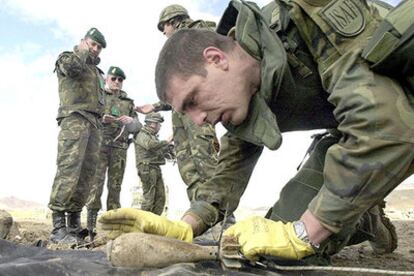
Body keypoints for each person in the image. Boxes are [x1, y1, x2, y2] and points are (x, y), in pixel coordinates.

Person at [100, 0, 413, 264]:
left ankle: (351, 204)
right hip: (364, 131)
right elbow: (229, 171)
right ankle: (364, 217)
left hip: (395, 121)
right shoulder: (242, 94)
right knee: (275, 251)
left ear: (216, 59)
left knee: (305, 232)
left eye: (193, 100)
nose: (198, 120)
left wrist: (306, 232)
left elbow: (389, 129)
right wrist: (184, 227)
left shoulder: (307, 13)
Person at [136, 4, 221, 204]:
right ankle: (201, 214)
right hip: (180, 116)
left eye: (164, 26)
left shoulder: (200, 32)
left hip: (197, 112)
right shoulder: (175, 49)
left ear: (174, 21)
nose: (163, 32)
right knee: (188, 168)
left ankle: (219, 215)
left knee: (206, 162)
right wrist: (156, 106)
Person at [49, 27, 106, 244]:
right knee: (69, 169)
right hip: (74, 119)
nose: (95, 49)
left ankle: (73, 225)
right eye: (92, 44)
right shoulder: (67, 58)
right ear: (83, 42)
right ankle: (57, 228)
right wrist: (82, 51)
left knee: (86, 174)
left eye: (98, 47)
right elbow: (71, 68)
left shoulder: (97, 73)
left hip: (94, 124)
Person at [85, 66, 141, 236]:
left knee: (115, 187)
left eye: (120, 80)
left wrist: (131, 120)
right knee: (96, 185)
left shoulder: (128, 102)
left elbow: (137, 126)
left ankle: (112, 226)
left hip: (120, 149)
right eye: (113, 79)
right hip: (100, 147)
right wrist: (100, 118)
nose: (117, 82)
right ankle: (91, 227)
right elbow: (87, 115)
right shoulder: (99, 96)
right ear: (107, 80)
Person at [134, 112, 172, 215]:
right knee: (149, 198)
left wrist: (168, 150)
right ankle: (143, 223)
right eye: (159, 124)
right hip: (147, 168)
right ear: (153, 124)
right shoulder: (142, 134)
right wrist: (166, 142)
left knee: (160, 197)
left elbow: (157, 150)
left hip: (154, 167)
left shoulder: (153, 136)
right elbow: (150, 146)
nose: (160, 127)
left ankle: (154, 223)